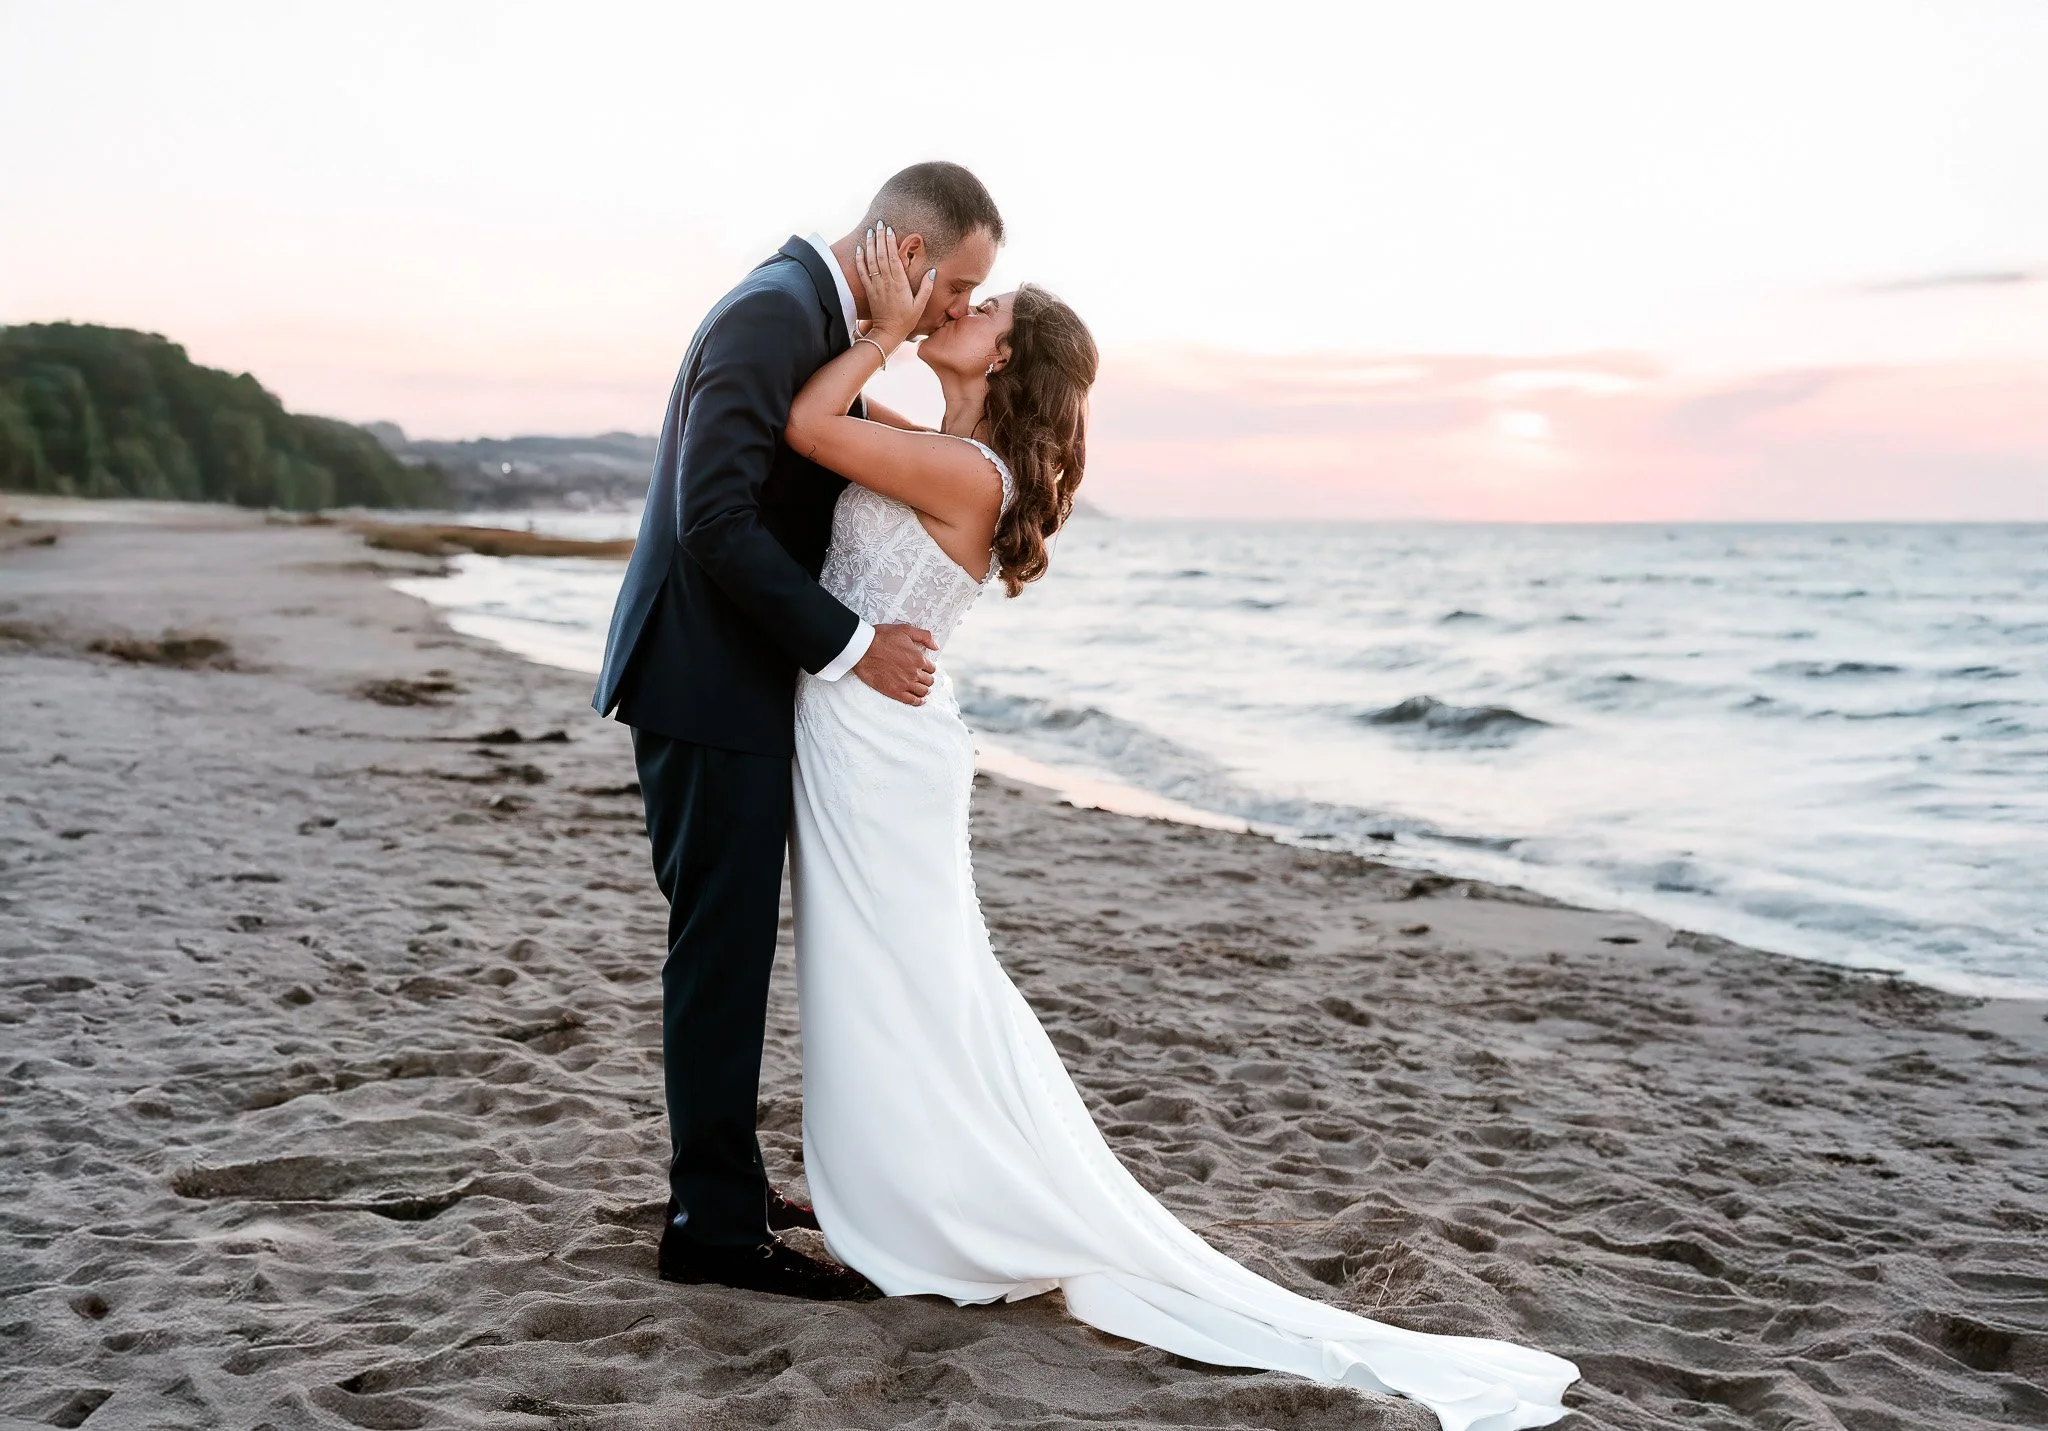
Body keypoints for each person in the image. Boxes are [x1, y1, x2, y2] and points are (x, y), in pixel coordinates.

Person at [776, 233, 1581, 1431]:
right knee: (896, 974)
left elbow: (806, 427)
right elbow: (838, 414)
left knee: (907, 976)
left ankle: (931, 1205)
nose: (960, 306)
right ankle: (912, 1184)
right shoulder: (945, 444)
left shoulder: (966, 471)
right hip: (872, 732)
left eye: (983, 306)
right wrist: (886, 335)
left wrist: (884, 329)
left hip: (881, 749)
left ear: (1013, 361)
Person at [591, 162, 1002, 1300]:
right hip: (704, 680)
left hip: (734, 680)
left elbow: (823, 464)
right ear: (910, 260)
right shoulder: (776, 311)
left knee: (730, 950)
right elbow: (710, 515)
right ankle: (712, 1232)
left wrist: (876, 343)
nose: (961, 310)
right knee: (719, 956)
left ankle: (723, 1181)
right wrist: (851, 644)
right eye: (961, 285)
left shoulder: (815, 318)